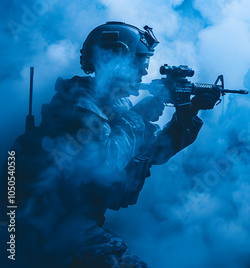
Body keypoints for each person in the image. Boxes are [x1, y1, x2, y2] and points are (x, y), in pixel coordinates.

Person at [9, 21, 220, 268]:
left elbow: (154, 153)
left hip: (75, 219)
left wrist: (191, 110)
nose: (144, 73)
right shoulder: (79, 103)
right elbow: (104, 163)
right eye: (139, 64)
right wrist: (138, 117)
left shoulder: (114, 106)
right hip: (50, 223)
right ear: (114, 62)